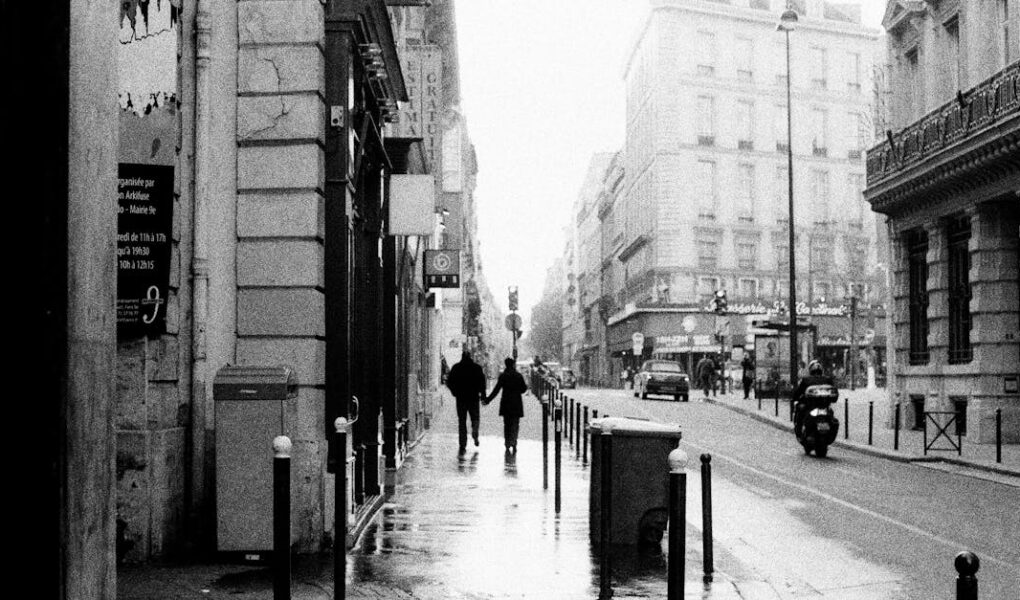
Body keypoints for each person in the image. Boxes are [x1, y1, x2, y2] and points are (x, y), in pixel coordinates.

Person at [446, 350, 488, 454]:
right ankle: (475, 432)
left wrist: (454, 392)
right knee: (475, 418)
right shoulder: (477, 368)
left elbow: (449, 382)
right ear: (471, 357)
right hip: (473, 398)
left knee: (462, 421)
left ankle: (462, 443)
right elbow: (482, 382)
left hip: (461, 398)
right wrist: (483, 395)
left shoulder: (456, 367)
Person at [485, 357, 528, 454]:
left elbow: (496, 390)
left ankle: (507, 442)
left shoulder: (503, 376)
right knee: (515, 424)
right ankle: (514, 441)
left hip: (506, 403)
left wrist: (488, 399)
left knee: (507, 424)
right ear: (513, 364)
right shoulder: (518, 376)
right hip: (516, 404)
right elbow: (523, 389)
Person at [792, 360, 835, 436]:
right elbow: (834, 392)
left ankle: (800, 433)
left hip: (810, 407)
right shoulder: (827, 380)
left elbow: (798, 392)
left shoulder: (806, 380)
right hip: (824, 406)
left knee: (800, 413)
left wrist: (795, 399)